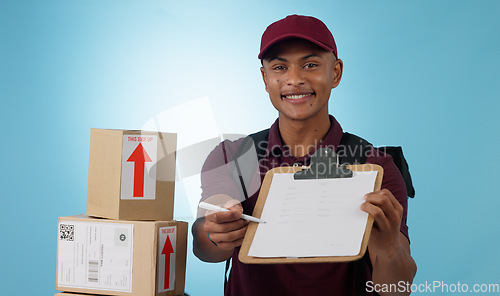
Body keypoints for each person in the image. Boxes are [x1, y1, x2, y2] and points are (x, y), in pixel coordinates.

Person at [192, 14, 417, 296]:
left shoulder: (374, 166)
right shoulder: (231, 156)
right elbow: (203, 244)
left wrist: (389, 248)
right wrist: (214, 231)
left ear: (335, 73)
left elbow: (397, 289)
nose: (294, 79)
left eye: (310, 65)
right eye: (280, 67)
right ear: (265, 78)